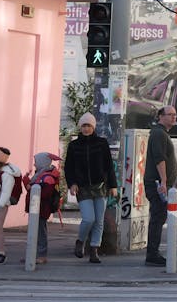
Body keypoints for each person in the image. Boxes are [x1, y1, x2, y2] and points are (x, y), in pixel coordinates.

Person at [64, 113, 114, 263]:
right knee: (88, 219)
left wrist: (113, 185)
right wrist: (72, 183)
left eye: (89, 126)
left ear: (93, 127)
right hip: (82, 187)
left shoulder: (102, 143)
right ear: (81, 127)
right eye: (84, 126)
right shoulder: (74, 145)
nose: (86, 129)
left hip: (100, 186)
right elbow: (68, 167)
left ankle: (94, 250)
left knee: (99, 221)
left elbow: (109, 166)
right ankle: (80, 241)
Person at [144, 105, 177, 267]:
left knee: (160, 217)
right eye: (170, 114)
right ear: (160, 116)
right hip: (157, 184)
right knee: (158, 218)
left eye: (175, 115)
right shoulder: (158, 134)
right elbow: (159, 158)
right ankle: (152, 253)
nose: (174, 117)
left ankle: (153, 252)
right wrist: (164, 181)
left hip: (161, 184)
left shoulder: (162, 133)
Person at [30, 152, 62, 264]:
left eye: (36, 162)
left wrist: (30, 187)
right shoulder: (40, 174)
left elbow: (45, 195)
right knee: (34, 232)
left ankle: (41, 255)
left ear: (42, 162)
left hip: (42, 209)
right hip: (37, 208)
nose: (34, 165)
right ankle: (32, 255)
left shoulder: (47, 177)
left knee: (40, 232)